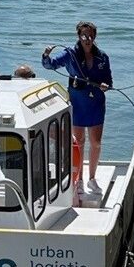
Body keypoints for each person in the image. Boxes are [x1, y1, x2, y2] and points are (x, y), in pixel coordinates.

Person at [41, 21, 113, 194]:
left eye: (90, 36)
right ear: (78, 36)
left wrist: (106, 85)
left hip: (96, 102)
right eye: (84, 36)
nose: (87, 39)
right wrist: (45, 55)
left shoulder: (102, 56)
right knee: (79, 142)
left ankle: (92, 179)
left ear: (94, 37)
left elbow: (109, 81)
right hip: (78, 103)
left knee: (95, 143)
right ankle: (79, 179)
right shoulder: (70, 54)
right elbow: (50, 65)